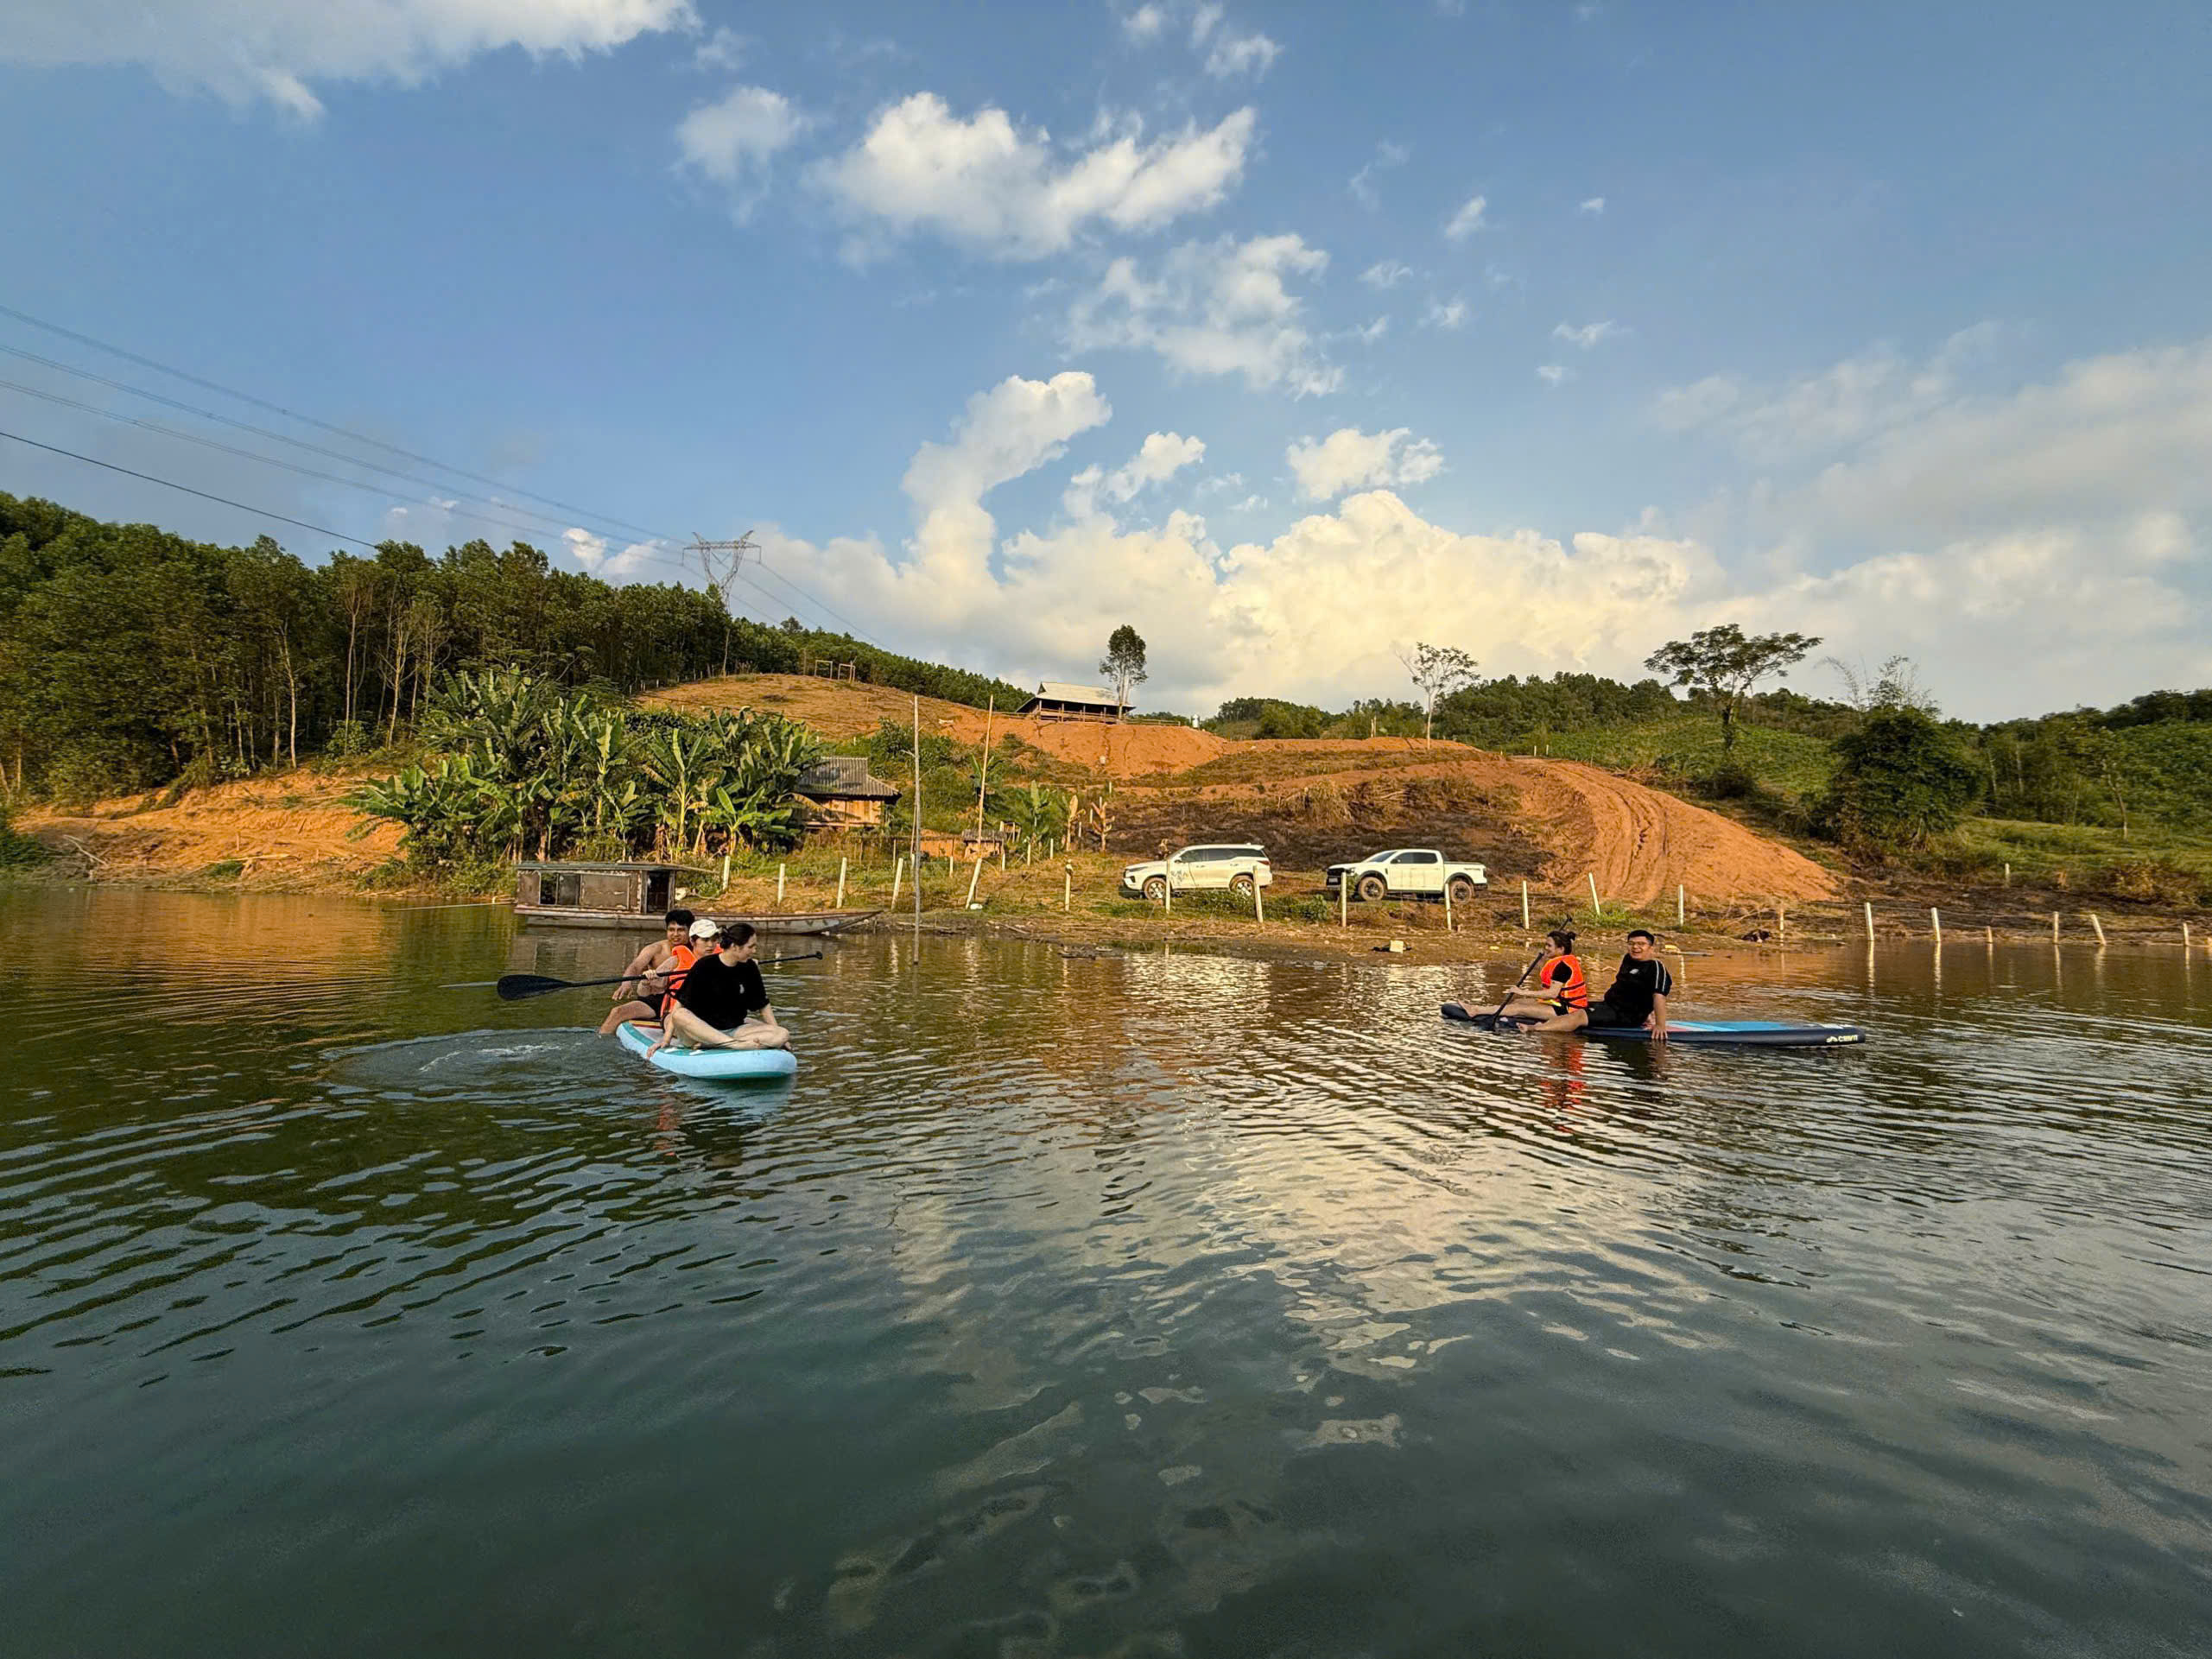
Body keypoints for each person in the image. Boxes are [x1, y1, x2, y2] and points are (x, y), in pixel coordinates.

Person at [646, 921, 791, 1056]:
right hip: (699, 1032)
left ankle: (716, 1044)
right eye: (751, 946)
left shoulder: (750, 967)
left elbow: (763, 1005)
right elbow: (680, 1004)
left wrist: (781, 1040)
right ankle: (733, 1045)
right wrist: (666, 1040)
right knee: (679, 1015)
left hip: (733, 1030)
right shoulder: (704, 965)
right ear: (735, 946)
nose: (754, 950)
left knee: (782, 1033)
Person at [598, 909, 701, 1035]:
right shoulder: (655, 949)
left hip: (685, 1000)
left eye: (680, 930)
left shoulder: (701, 949)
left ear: (690, 931)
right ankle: (601, 1039)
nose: (675, 934)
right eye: (671, 930)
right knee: (617, 1012)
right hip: (655, 1000)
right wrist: (626, 982)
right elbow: (635, 966)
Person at [1584, 929, 1672, 1042]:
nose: (1635, 947)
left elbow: (1659, 997)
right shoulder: (1628, 959)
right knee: (1575, 1007)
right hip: (1610, 1006)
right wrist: (1647, 1015)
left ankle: (1555, 1035)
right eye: (1631, 944)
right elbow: (1633, 989)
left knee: (1579, 1016)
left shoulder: (1656, 968)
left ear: (1651, 948)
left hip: (1625, 1016)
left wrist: (1660, 1025)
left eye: (1641, 944)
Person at [1497, 929, 1590, 1029]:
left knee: (1518, 1008)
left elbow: (1552, 994)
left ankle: (1480, 1010)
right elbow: (1545, 975)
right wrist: (1540, 960)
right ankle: (1499, 1015)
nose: (1546, 948)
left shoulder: (1563, 966)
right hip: (1558, 1003)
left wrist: (1523, 992)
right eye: (1545, 945)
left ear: (1561, 949)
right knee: (1517, 1002)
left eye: (1549, 946)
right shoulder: (1557, 962)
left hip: (1569, 1010)